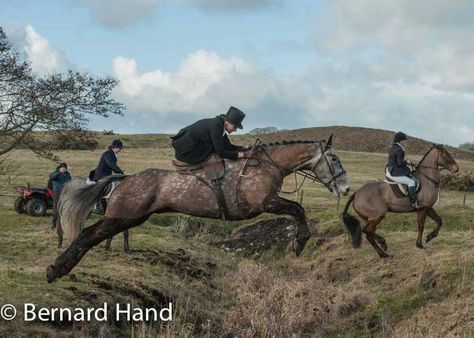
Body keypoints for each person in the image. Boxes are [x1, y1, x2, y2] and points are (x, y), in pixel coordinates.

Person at [171, 106, 251, 165]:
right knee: (214, 149)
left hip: (191, 146)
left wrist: (245, 148)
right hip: (186, 152)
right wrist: (243, 155)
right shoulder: (216, 126)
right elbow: (221, 152)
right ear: (227, 122)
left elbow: (228, 146)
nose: (235, 130)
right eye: (235, 127)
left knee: (222, 146)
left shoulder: (220, 125)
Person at [386, 131, 418, 209]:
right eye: (405, 140)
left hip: (390, 168)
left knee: (409, 174)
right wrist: (406, 162)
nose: (406, 142)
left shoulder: (394, 147)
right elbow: (400, 163)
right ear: (401, 141)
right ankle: (413, 203)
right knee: (411, 182)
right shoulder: (399, 150)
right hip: (394, 172)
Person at [49, 162, 71, 229]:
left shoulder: (67, 175)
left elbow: (70, 182)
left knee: (64, 208)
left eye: (65, 168)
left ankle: (63, 223)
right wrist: (59, 172)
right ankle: (54, 224)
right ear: (59, 168)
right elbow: (51, 177)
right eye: (62, 168)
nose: (63, 169)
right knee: (56, 208)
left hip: (65, 193)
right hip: (57, 193)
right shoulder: (55, 174)